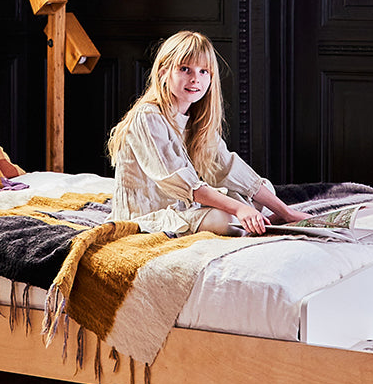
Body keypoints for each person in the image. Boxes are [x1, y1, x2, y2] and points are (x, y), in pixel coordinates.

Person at [107, 30, 309, 236]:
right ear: (163, 72)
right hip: (148, 213)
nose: (196, 79)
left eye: (204, 71)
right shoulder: (147, 117)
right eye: (185, 69)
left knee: (263, 188)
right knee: (227, 219)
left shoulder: (195, 119)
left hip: (184, 207)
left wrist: (286, 211)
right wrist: (239, 208)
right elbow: (185, 185)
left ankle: (264, 219)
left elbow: (227, 167)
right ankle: (256, 220)